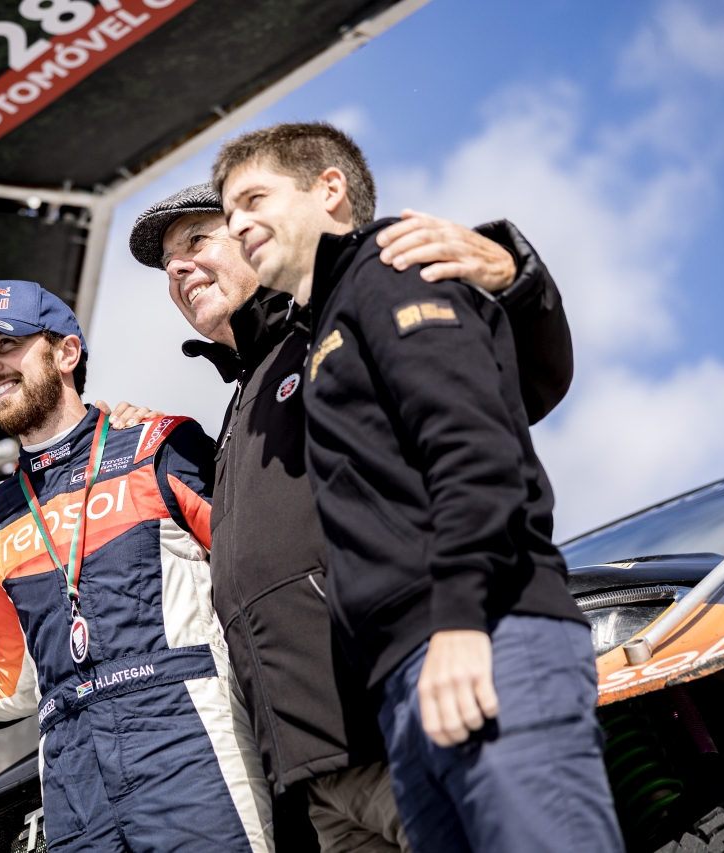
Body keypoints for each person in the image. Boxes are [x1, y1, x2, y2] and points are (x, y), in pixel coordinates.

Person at [212, 121, 623, 853]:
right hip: (406, 678)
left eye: (254, 199)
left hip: (482, 638)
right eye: (229, 211)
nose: (237, 224)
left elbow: (473, 451)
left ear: (330, 189)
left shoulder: (393, 268)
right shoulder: (319, 331)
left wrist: (460, 622)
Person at [123, 186, 573, 853]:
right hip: (319, 777)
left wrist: (512, 278)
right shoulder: (242, 402)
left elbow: (513, 383)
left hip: (410, 723)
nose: (178, 269)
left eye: (196, 241)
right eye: (168, 264)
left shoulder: (333, 327)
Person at [0, 281, 274, 853]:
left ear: (67, 353)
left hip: (187, 747)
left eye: (6, 344)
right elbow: (15, 679)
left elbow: (255, 573)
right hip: (72, 780)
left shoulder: (158, 445)